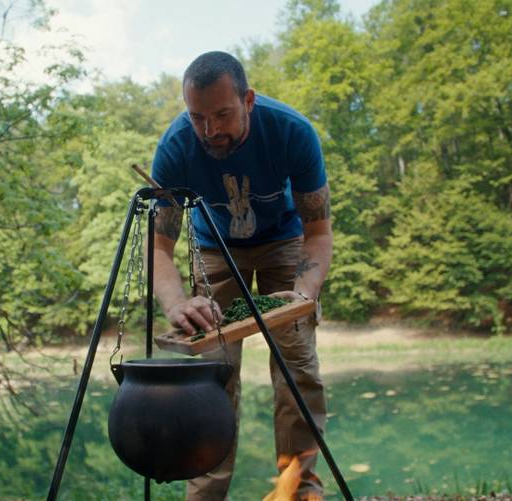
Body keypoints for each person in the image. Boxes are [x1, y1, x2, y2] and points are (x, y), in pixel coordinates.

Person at [149, 51, 332, 500]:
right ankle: (206, 495)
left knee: (296, 366)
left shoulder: (292, 132)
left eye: (222, 115)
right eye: (198, 118)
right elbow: (157, 248)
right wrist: (176, 304)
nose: (210, 131)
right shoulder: (175, 148)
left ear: (248, 100)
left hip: (284, 243)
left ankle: (300, 491)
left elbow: (319, 231)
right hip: (213, 247)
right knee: (214, 374)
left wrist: (303, 294)